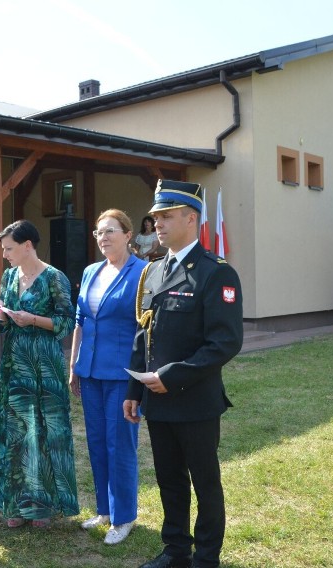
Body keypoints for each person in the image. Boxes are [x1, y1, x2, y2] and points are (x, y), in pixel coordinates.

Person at [124, 180, 243, 568]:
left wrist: (174, 376)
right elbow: (143, 333)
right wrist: (133, 390)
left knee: (205, 484)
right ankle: (176, 552)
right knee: (170, 482)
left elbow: (223, 343)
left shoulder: (215, 273)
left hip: (194, 400)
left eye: (166, 215)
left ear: (191, 219)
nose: (156, 222)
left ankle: (206, 558)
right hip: (157, 401)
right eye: (156, 216)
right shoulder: (154, 272)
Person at [0, 220, 78, 528]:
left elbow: (66, 323)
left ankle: (43, 506)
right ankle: (15, 505)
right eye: (3, 249)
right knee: (16, 433)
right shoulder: (10, 276)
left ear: (28, 246)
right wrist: (1, 314)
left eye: (9, 248)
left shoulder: (54, 277)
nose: (5, 255)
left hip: (44, 367)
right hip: (14, 365)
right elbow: (6, 324)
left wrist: (33, 319)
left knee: (42, 432)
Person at [70, 209, 146, 545]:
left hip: (123, 374)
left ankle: (125, 516)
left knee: (120, 445)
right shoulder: (90, 271)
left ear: (128, 235)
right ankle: (104, 509)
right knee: (97, 442)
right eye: (99, 232)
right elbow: (80, 321)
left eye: (111, 231)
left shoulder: (142, 272)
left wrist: (141, 377)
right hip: (90, 371)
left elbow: (147, 329)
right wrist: (73, 364)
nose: (104, 237)